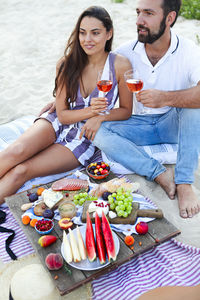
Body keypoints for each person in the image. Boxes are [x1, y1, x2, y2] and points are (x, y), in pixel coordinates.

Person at [0, 6, 133, 204]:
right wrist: (91, 110)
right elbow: (62, 115)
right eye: (82, 32)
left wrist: (101, 116)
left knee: (22, 170)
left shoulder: (120, 66)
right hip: (57, 122)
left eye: (95, 33)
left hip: (82, 137)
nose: (87, 39)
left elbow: (126, 111)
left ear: (109, 33)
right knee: (15, 152)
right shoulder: (66, 64)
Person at [93, 0, 200, 218]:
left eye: (148, 13)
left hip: (173, 123)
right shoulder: (125, 52)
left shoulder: (189, 50)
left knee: (193, 106)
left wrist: (166, 98)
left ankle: (185, 182)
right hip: (138, 125)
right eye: (138, 12)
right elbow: (96, 85)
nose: (139, 21)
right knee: (96, 129)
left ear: (169, 18)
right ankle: (158, 173)